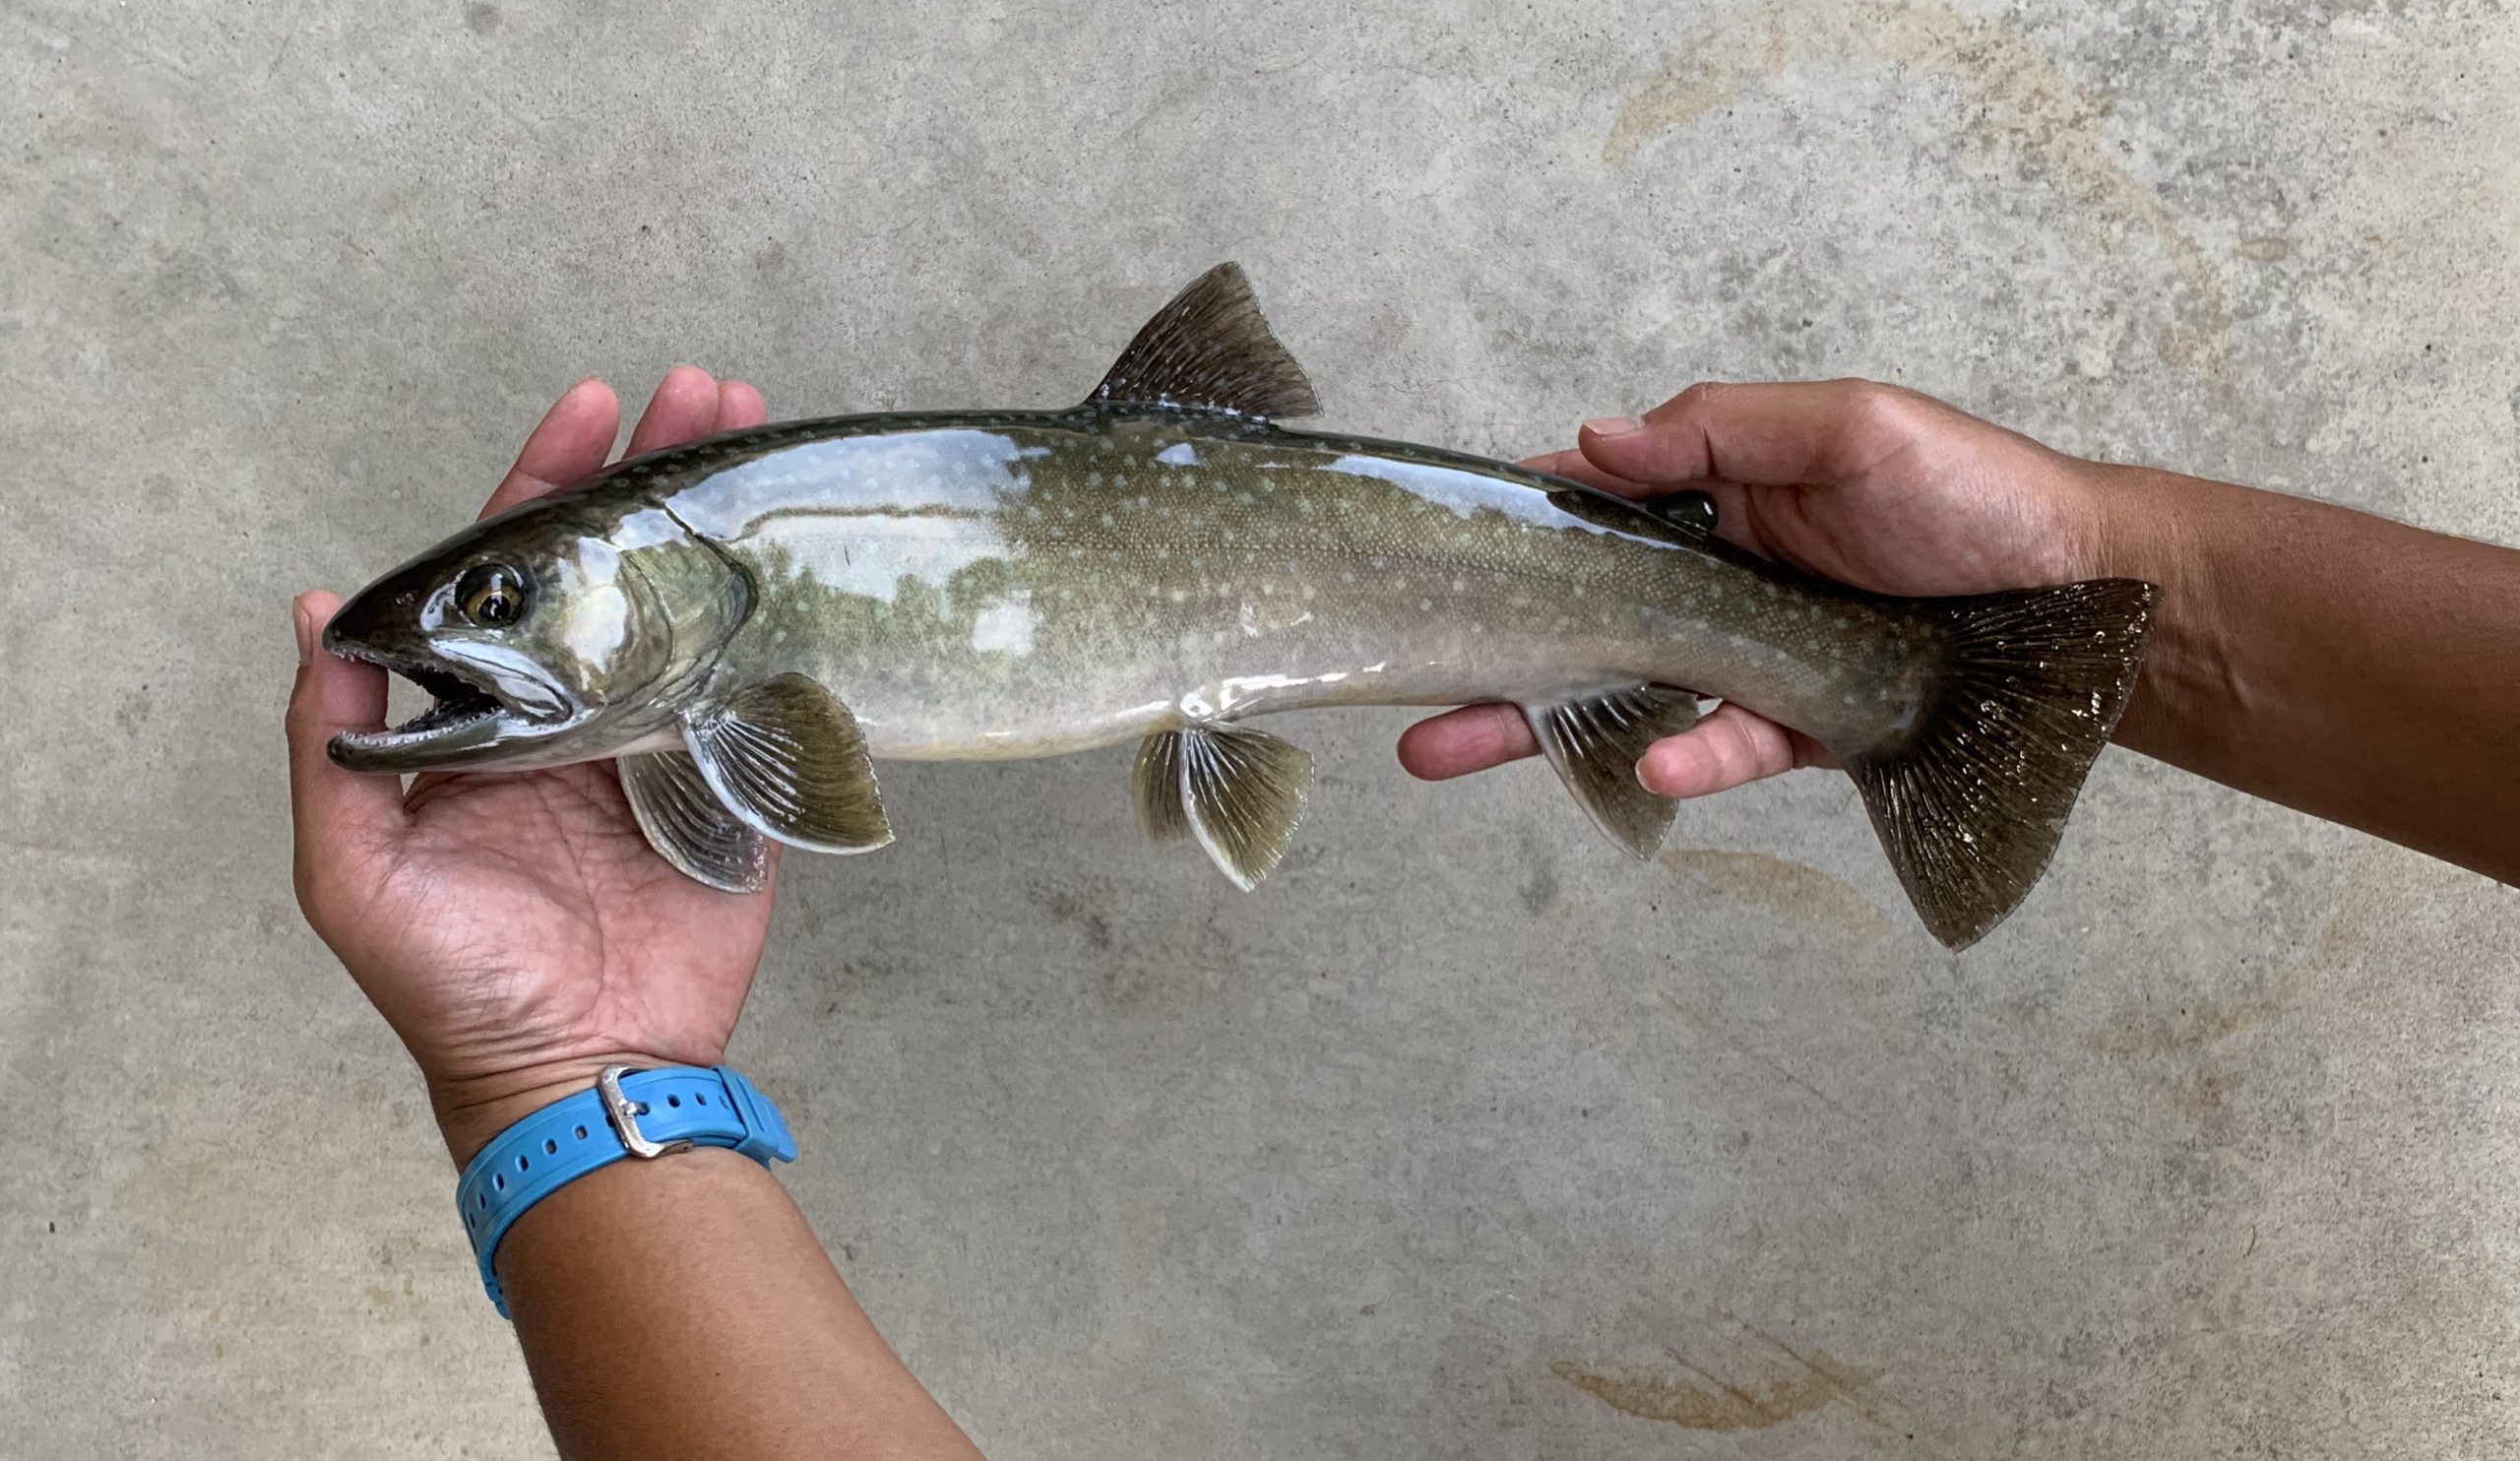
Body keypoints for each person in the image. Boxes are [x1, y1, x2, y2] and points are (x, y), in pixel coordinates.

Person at [284, 369, 2520, 1460]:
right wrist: (2121, 594)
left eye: (492, 611)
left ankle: (1948, 677)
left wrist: (559, 1074)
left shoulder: (733, 647)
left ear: (677, 585)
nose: (447, 646)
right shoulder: (714, 648)